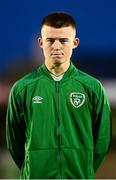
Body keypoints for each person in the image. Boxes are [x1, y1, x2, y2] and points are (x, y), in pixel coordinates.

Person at [6, 11, 111, 179]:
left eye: (63, 41)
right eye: (50, 40)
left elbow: (102, 140)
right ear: (40, 42)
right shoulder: (22, 88)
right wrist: (34, 167)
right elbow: (14, 143)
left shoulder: (92, 88)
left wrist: (82, 168)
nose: (56, 46)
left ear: (75, 43)